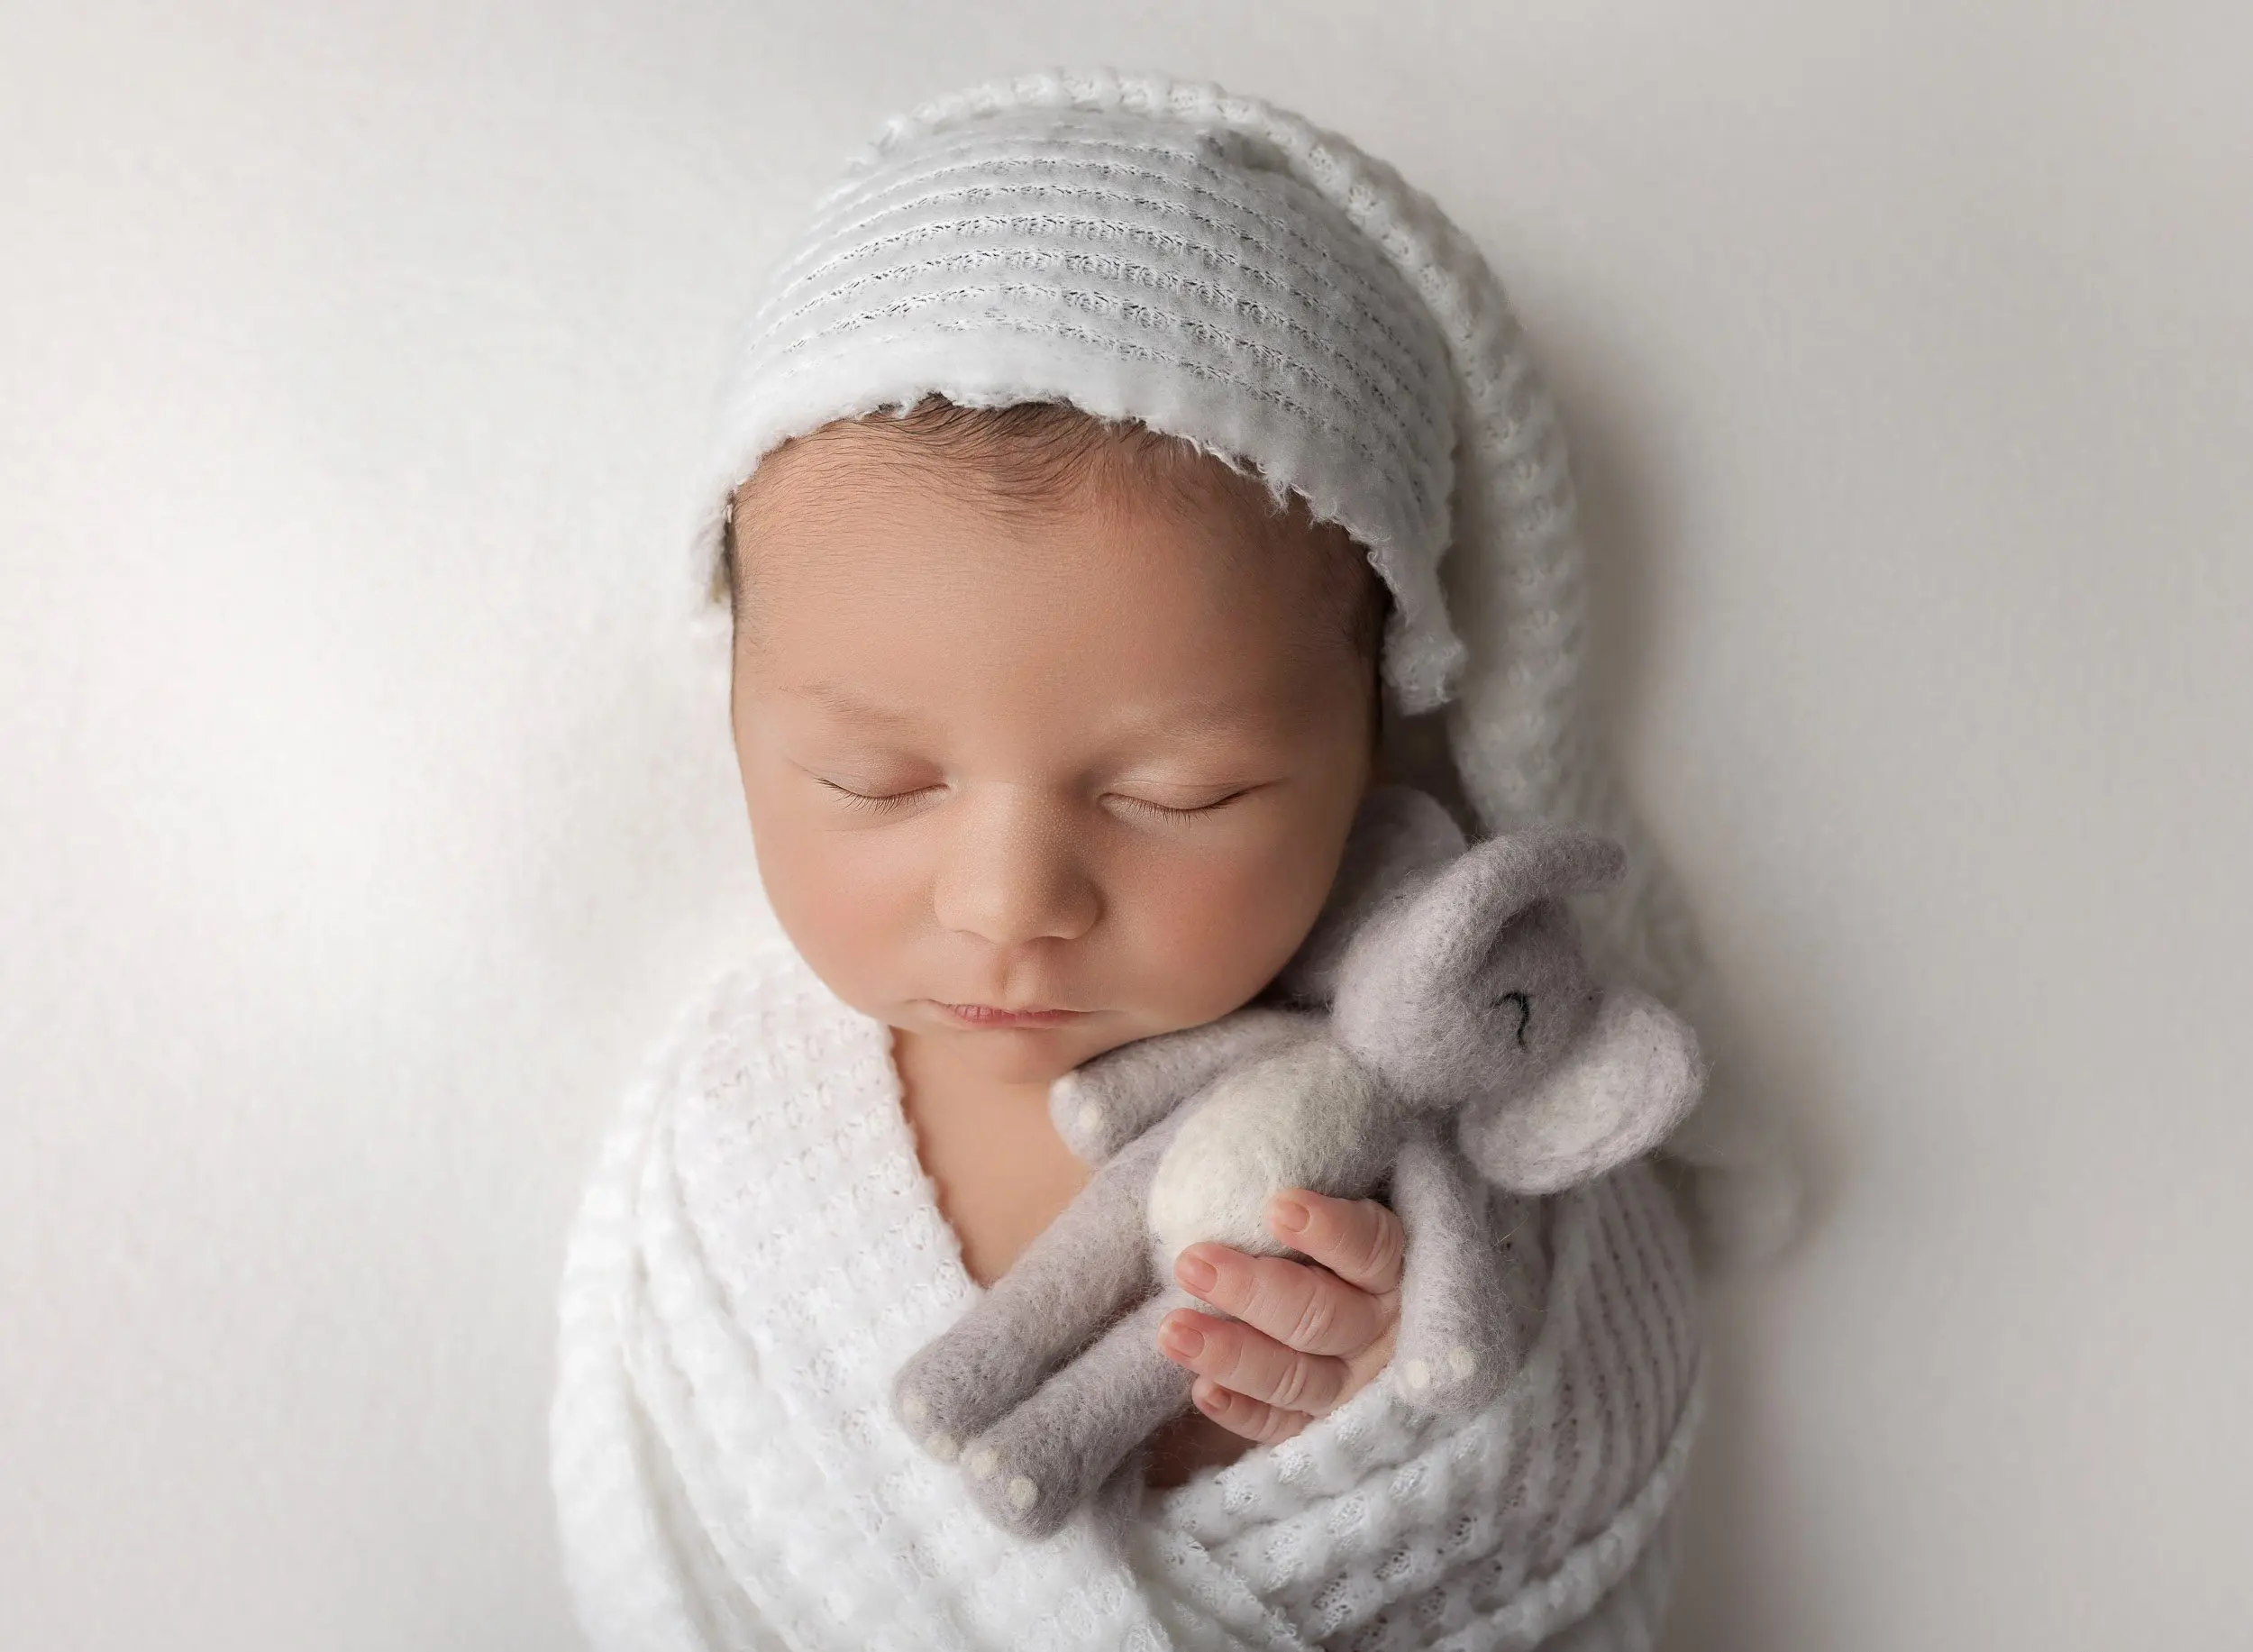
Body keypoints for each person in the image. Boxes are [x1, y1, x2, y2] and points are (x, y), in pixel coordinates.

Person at [550, 67, 1799, 1652]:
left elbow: (1554, 1465)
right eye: (875, 781)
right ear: (734, 711)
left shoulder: (1457, 1116)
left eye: (1178, 794)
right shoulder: (726, 1152)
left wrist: (1348, 1410)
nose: (1009, 903)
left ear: (1377, 737)